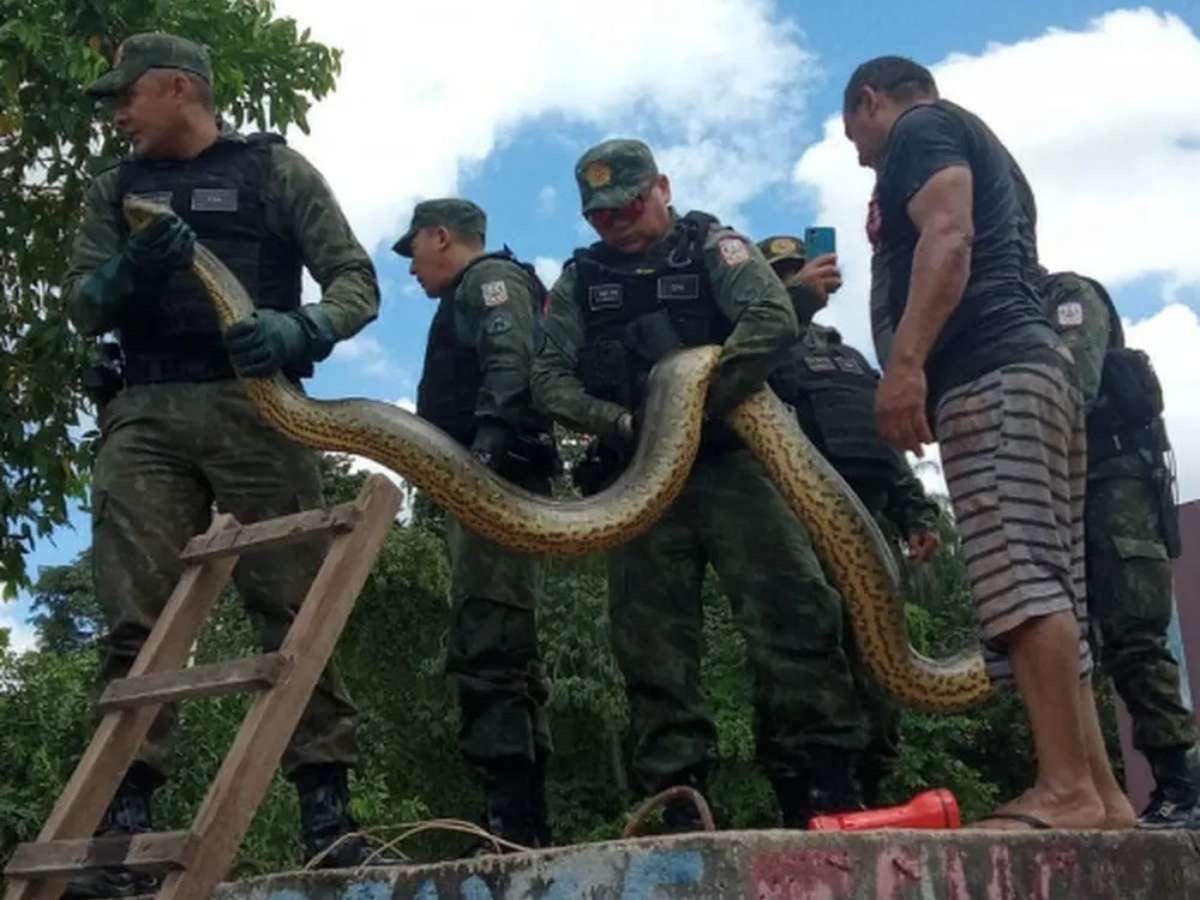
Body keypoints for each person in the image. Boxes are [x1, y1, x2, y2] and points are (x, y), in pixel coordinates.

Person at [64, 32, 384, 894]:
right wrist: (133, 266)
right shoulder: (114, 190)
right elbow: (83, 309)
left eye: (127, 96)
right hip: (146, 415)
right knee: (136, 618)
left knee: (293, 603)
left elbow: (357, 282)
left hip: (259, 407)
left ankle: (329, 816)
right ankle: (122, 824)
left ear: (178, 88)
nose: (118, 114)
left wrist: (302, 328)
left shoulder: (275, 173)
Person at [532, 138, 869, 830]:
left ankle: (821, 786)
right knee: (649, 642)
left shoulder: (713, 247)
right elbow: (548, 378)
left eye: (627, 205)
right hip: (641, 476)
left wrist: (700, 401)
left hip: (734, 461)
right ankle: (677, 799)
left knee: (795, 614)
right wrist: (623, 422)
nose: (614, 223)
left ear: (661, 186)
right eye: (599, 215)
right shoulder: (580, 280)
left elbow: (771, 319)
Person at [842, 55, 1135, 829]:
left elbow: (949, 234)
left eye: (856, 138)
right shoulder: (984, 143)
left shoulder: (922, 128)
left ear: (872, 101)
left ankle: (1064, 789)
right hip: (1033, 376)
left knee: (1020, 581)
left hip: (993, 374)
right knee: (1046, 580)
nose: (863, 155)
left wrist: (905, 365)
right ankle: (1101, 797)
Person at [394, 199, 559, 848]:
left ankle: (514, 824)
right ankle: (520, 818)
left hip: (497, 483)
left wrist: (486, 449)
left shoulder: (491, 282)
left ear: (441, 237)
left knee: (490, 640)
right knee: (500, 636)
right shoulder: (464, 295)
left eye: (414, 251)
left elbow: (511, 359)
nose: (411, 268)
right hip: (478, 488)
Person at [758, 234, 943, 804]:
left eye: (800, 266)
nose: (800, 274)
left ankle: (874, 790)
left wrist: (916, 509)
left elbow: (880, 439)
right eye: (783, 273)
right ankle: (807, 791)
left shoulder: (848, 355)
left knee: (878, 659)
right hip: (793, 522)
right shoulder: (759, 349)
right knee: (803, 654)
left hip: (869, 522)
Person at [1038, 268, 1199, 829]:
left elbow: (1073, 382)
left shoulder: (1067, 296)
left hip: (1117, 485)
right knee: (1085, 644)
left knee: (1135, 637)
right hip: (1078, 487)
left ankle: (1184, 787)